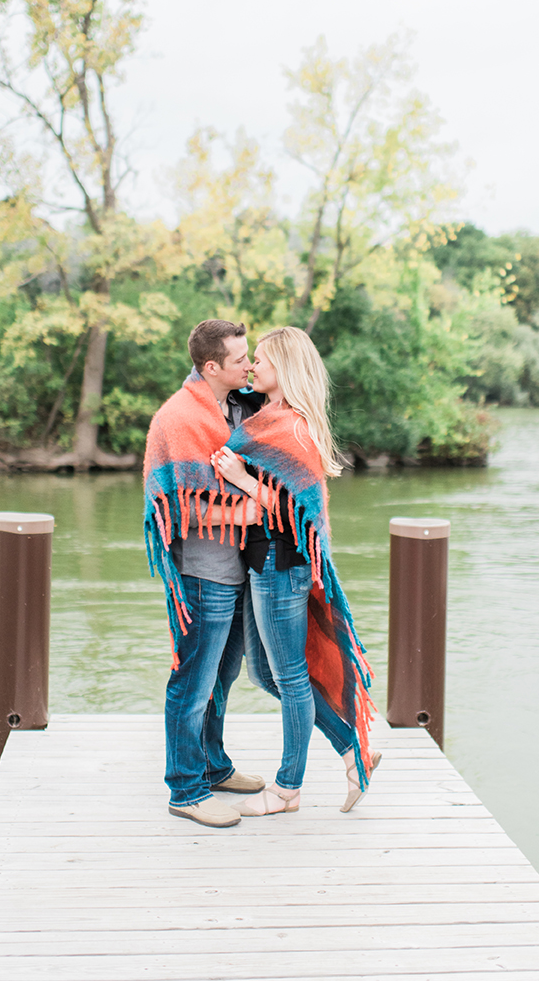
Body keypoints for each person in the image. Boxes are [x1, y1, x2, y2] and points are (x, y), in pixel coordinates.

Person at [212, 326, 380, 817]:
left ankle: (287, 790)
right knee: (265, 672)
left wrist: (242, 479)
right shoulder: (268, 418)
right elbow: (213, 383)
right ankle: (355, 750)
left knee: (288, 677)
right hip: (261, 563)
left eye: (260, 359)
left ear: (283, 368)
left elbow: (292, 512)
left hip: (281, 564)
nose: (252, 367)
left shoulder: (289, 428)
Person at [143, 319, 265, 828]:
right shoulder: (180, 419)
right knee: (192, 681)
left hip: (238, 566)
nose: (251, 365)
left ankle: (213, 767)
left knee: (222, 676)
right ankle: (186, 791)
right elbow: (177, 510)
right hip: (201, 571)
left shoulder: (239, 406)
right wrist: (248, 513)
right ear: (212, 366)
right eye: (241, 359)